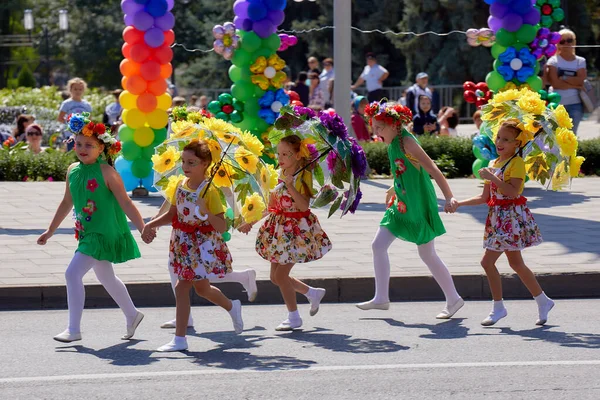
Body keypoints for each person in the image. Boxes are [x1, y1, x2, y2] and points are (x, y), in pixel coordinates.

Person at [37, 113, 147, 343]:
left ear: (101, 148)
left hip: (103, 232)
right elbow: (67, 202)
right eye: (78, 144)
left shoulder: (107, 172)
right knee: (106, 277)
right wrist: (50, 231)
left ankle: (73, 329)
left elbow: (126, 202)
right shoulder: (72, 170)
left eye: (89, 145)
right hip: (86, 231)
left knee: (72, 273)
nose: (82, 148)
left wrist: (143, 227)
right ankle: (132, 314)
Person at [356, 101, 464, 319]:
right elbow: (404, 170)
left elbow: (432, 169)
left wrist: (449, 196)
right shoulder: (393, 142)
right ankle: (381, 298)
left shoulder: (406, 141)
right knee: (378, 245)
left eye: (379, 128)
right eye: (374, 128)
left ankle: (453, 299)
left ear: (394, 124)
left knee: (427, 253)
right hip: (401, 203)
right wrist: (393, 187)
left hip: (418, 204)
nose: (376, 133)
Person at [143, 140, 244, 351]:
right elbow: (172, 215)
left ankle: (179, 339)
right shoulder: (180, 184)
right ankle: (232, 306)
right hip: (182, 243)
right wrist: (151, 224)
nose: (186, 166)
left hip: (201, 244)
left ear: (205, 163)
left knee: (183, 287)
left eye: (192, 162)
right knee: (202, 288)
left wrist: (206, 210)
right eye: (183, 162)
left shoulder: (210, 191)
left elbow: (222, 224)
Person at [456, 120, 554, 326]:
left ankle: (498, 307)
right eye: (499, 137)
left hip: (510, 218)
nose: (500, 142)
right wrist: (459, 204)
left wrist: (494, 179)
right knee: (516, 263)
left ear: (517, 144)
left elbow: (513, 191)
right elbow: (484, 197)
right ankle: (543, 300)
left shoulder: (517, 163)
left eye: (506, 140)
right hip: (496, 218)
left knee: (487, 262)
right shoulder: (493, 163)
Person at [239, 135, 331, 331]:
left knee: (281, 277)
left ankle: (294, 316)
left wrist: (290, 185)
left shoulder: (303, 176)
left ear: (298, 155)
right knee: (275, 277)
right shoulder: (281, 172)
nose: (280, 158)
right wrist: (251, 222)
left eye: (285, 154)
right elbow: (271, 206)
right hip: (279, 230)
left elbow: (304, 206)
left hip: (296, 231)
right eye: (278, 153)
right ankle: (312, 293)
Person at [547, 28, 587, 134]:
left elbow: (581, 81)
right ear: (557, 44)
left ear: (574, 42)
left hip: (575, 105)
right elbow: (555, 83)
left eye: (569, 40)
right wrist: (575, 84)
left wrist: (563, 79)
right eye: (562, 41)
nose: (566, 43)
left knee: (571, 137)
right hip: (556, 105)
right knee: (555, 137)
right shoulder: (553, 60)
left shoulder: (581, 61)